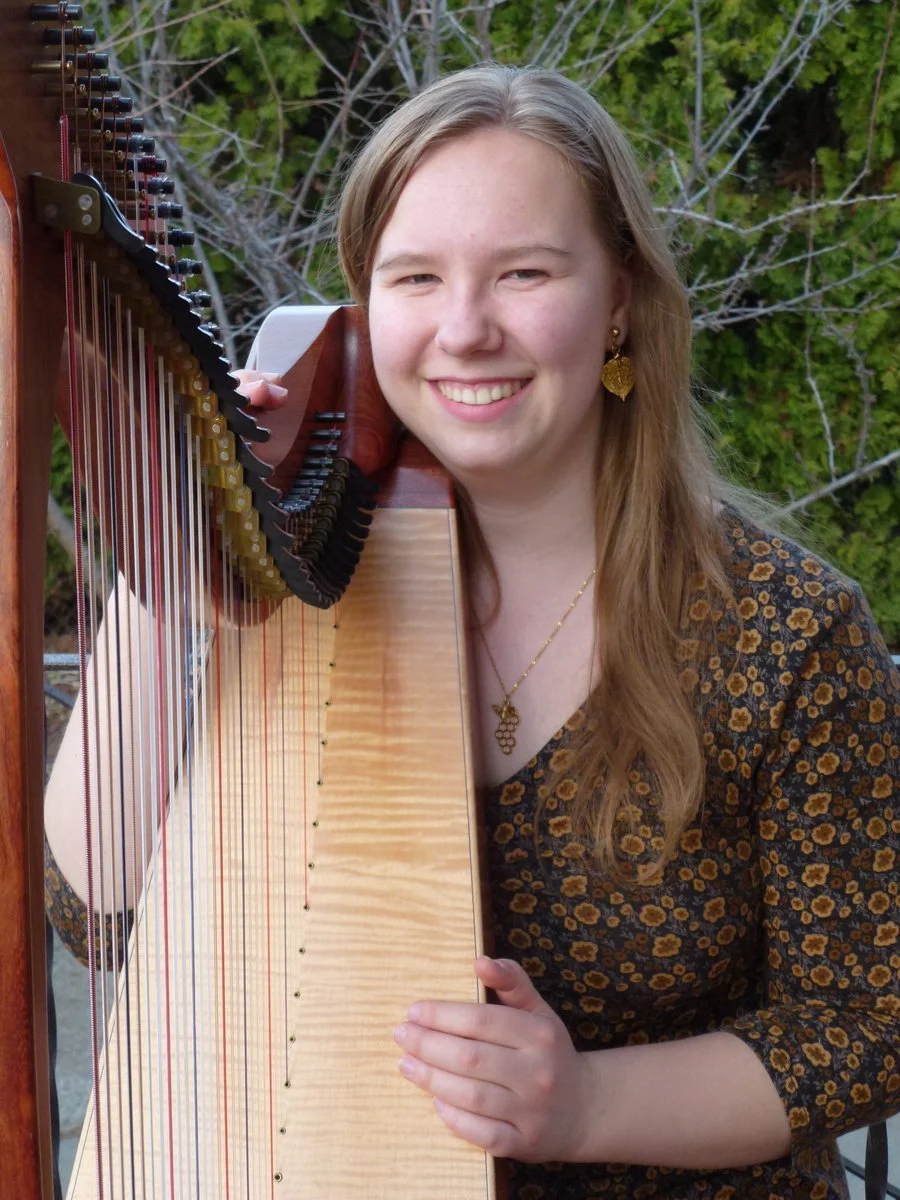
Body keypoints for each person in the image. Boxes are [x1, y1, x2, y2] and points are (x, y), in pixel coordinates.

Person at [46, 64, 898, 1199]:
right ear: (368, 308)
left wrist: (586, 1104)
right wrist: (174, 542)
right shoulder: (296, 581)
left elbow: (865, 1028)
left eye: (524, 272)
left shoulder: (786, 632)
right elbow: (97, 914)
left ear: (620, 299)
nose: (464, 328)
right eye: (416, 277)